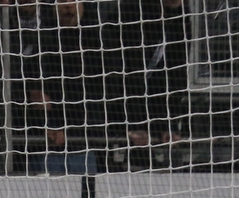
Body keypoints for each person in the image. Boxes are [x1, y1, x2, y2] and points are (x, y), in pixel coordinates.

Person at [23, 0, 107, 174]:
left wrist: (70, 129)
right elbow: (34, 91)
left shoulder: (98, 42)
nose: (68, 6)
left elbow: (97, 94)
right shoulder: (40, 41)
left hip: (82, 145)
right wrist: (51, 125)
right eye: (62, 1)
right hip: (46, 148)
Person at [107, 0, 188, 168]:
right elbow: (126, 74)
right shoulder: (130, 13)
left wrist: (168, 125)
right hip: (115, 108)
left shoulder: (182, 14)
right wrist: (133, 124)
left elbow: (175, 73)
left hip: (151, 108)